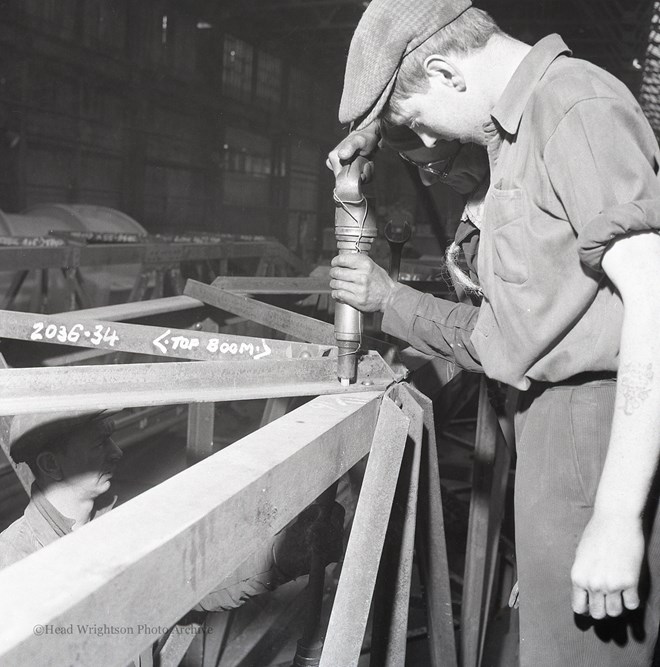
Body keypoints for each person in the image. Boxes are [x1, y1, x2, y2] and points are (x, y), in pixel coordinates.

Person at [327, 1, 660, 665]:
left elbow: (655, 295)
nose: (425, 145)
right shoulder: (519, 136)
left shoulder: (572, 107)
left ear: (448, 72)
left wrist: (618, 511)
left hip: (591, 438)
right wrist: (382, 134)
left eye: (418, 124)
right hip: (551, 432)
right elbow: (509, 333)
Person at [0, 411, 344, 611]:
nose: (118, 452)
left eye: (111, 439)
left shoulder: (124, 522)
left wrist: (280, 556)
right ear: (50, 464)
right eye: (100, 443)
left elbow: (189, 584)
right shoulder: (14, 564)